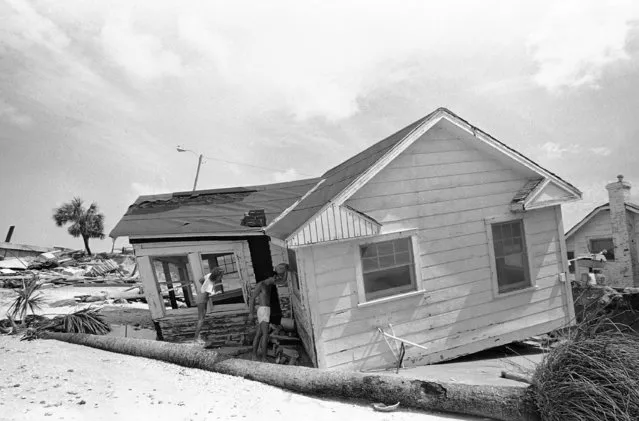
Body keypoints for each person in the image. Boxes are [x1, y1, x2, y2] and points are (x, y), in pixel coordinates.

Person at [248, 270, 280, 361]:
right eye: (275, 278)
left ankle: (254, 356)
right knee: (266, 335)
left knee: (259, 334)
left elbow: (283, 281)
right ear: (271, 277)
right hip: (263, 310)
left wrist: (286, 270)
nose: (276, 279)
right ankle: (264, 358)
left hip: (267, 311)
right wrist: (251, 313)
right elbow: (252, 298)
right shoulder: (261, 285)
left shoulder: (269, 286)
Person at [193, 266, 225, 344]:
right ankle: (196, 338)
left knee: (201, 318)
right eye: (221, 276)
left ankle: (197, 336)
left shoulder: (209, 275)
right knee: (201, 319)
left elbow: (200, 280)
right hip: (202, 299)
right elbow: (208, 295)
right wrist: (217, 293)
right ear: (217, 275)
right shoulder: (210, 283)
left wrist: (203, 285)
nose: (221, 277)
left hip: (200, 296)